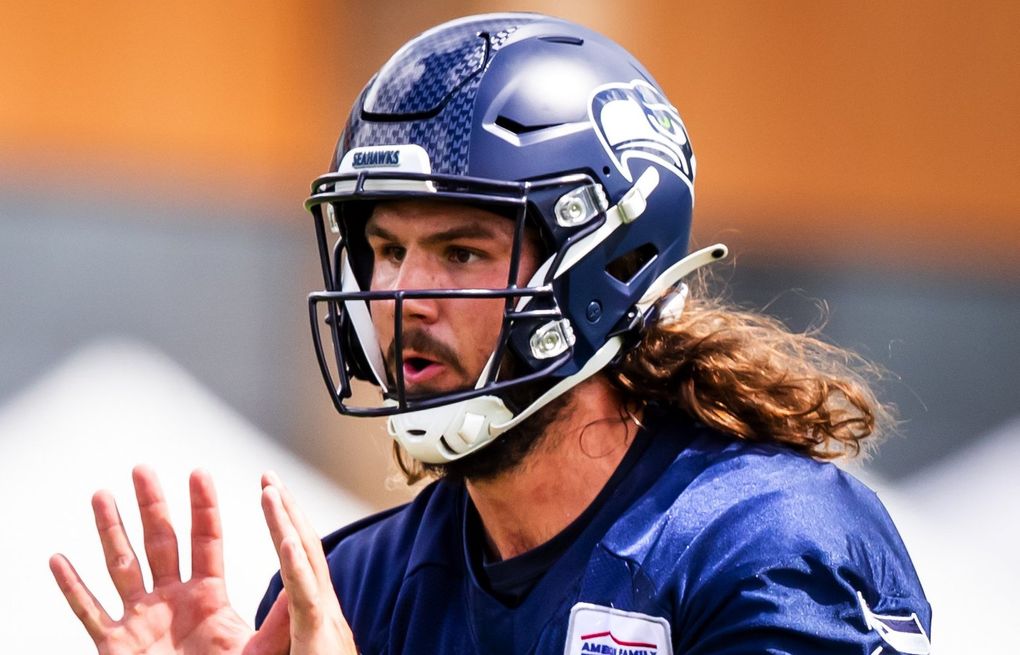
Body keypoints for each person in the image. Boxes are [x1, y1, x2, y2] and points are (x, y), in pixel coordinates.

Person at [51, 12, 932, 655]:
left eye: (462, 251)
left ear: (606, 263)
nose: (400, 295)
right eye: (386, 249)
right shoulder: (351, 590)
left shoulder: (764, 545)